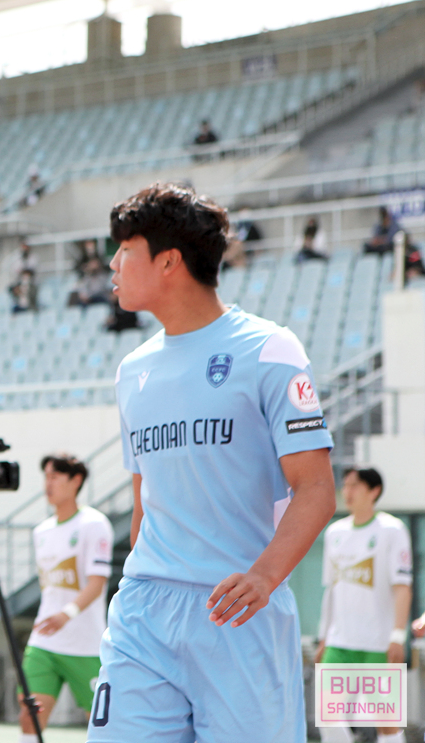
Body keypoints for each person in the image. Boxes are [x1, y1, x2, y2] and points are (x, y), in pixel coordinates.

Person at [90, 182, 336, 742]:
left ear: (169, 261)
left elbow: (317, 489)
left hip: (238, 610)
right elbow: (144, 502)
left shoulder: (270, 350)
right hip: (144, 612)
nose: (113, 264)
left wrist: (265, 576)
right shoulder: (133, 371)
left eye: (125, 249)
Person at [314, 467, 412, 743]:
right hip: (340, 644)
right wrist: (324, 637)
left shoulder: (392, 530)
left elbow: (403, 587)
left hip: (378, 646)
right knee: (327, 715)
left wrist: (397, 636)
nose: (347, 492)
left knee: (387, 724)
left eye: (355, 485)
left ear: (374, 491)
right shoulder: (334, 532)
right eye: (345, 485)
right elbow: (331, 591)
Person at [19, 454, 113, 743]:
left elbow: (97, 583)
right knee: (30, 715)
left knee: (101, 723)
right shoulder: (41, 531)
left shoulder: (94, 524)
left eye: (55, 477)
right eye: (46, 477)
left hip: (85, 644)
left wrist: (66, 614)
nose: (48, 484)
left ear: (76, 481)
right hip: (44, 642)